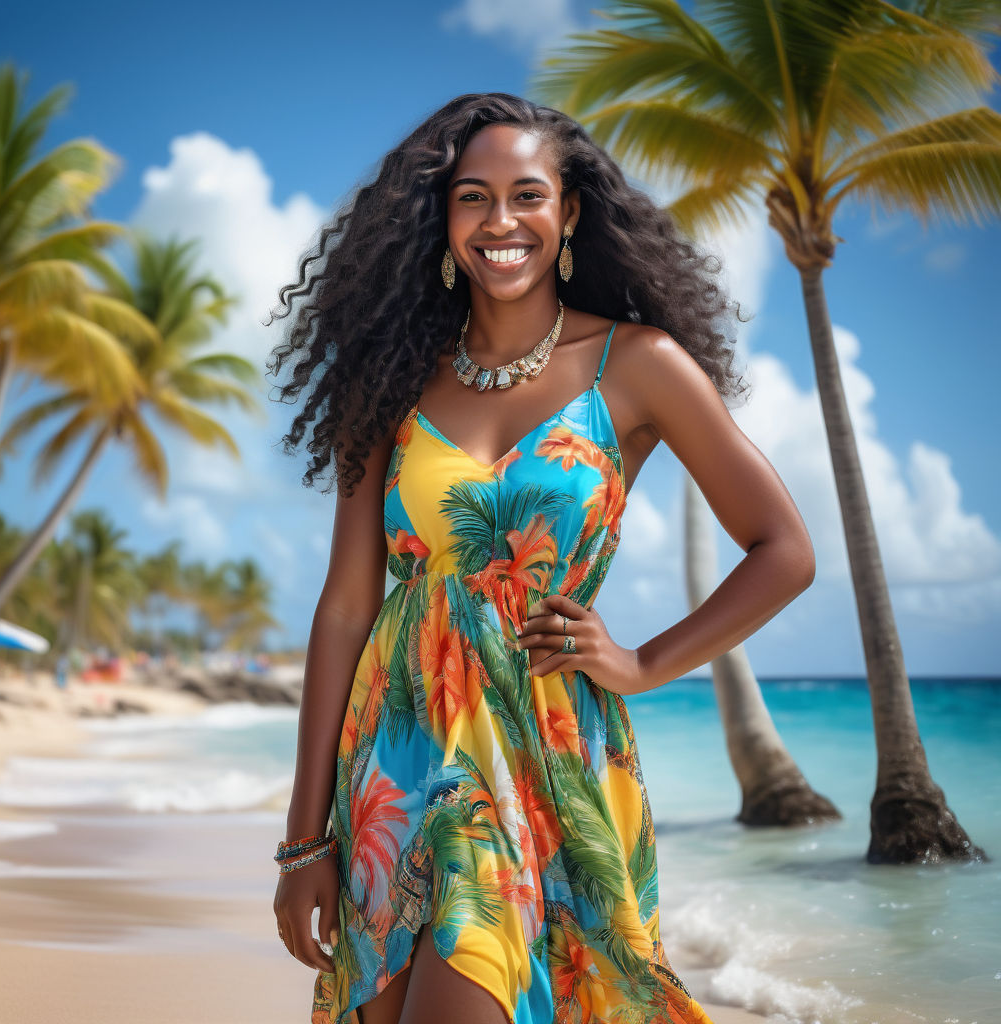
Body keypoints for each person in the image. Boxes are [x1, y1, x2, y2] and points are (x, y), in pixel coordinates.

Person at [265, 92, 815, 1024]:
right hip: (395, 749)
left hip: (543, 748)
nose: (501, 221)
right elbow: (346, 608)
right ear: (441, 222)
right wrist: (301, 842)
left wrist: (643, 665)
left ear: (567, 217)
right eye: (472, 197)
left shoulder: (637, 364)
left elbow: (785, 550)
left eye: (528, 195)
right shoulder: (390, 378)